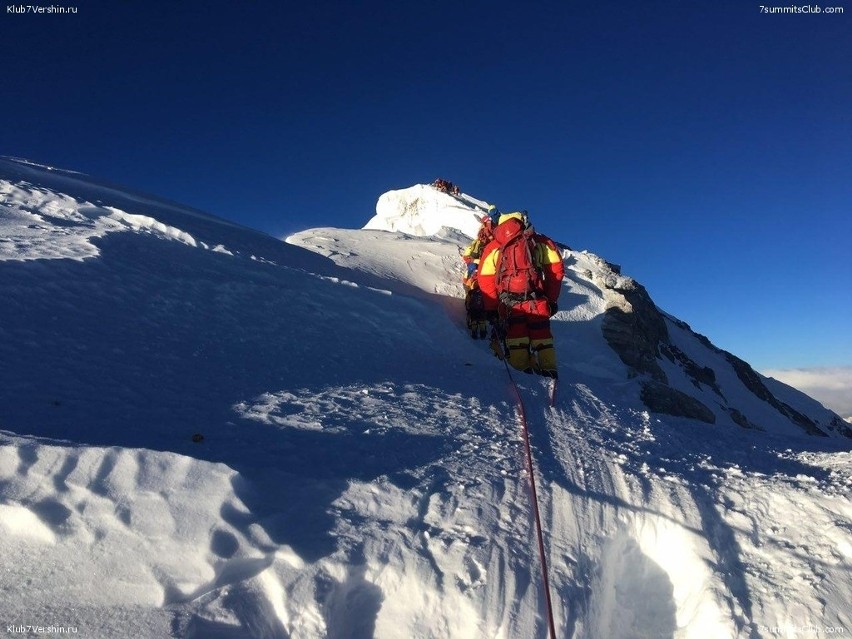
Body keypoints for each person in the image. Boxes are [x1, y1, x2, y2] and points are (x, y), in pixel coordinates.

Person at [476, 211, 564, 377]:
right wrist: (551, 299)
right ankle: (549, 369)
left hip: (508, 303)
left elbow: (484, 278)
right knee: (541, 335)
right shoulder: (539, 241)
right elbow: (556, 271)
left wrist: (492, 307)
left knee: (516, 336)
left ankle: (521, 371)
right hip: (536, 299)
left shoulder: (494, 246)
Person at [461, 206, 499, 339]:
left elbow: (468, 257)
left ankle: (474, 323)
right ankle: (483, 325)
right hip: (488, 279)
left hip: (476, 277)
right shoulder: (493, 243)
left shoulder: (478, 243)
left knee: (473, 297)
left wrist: (473, 260)